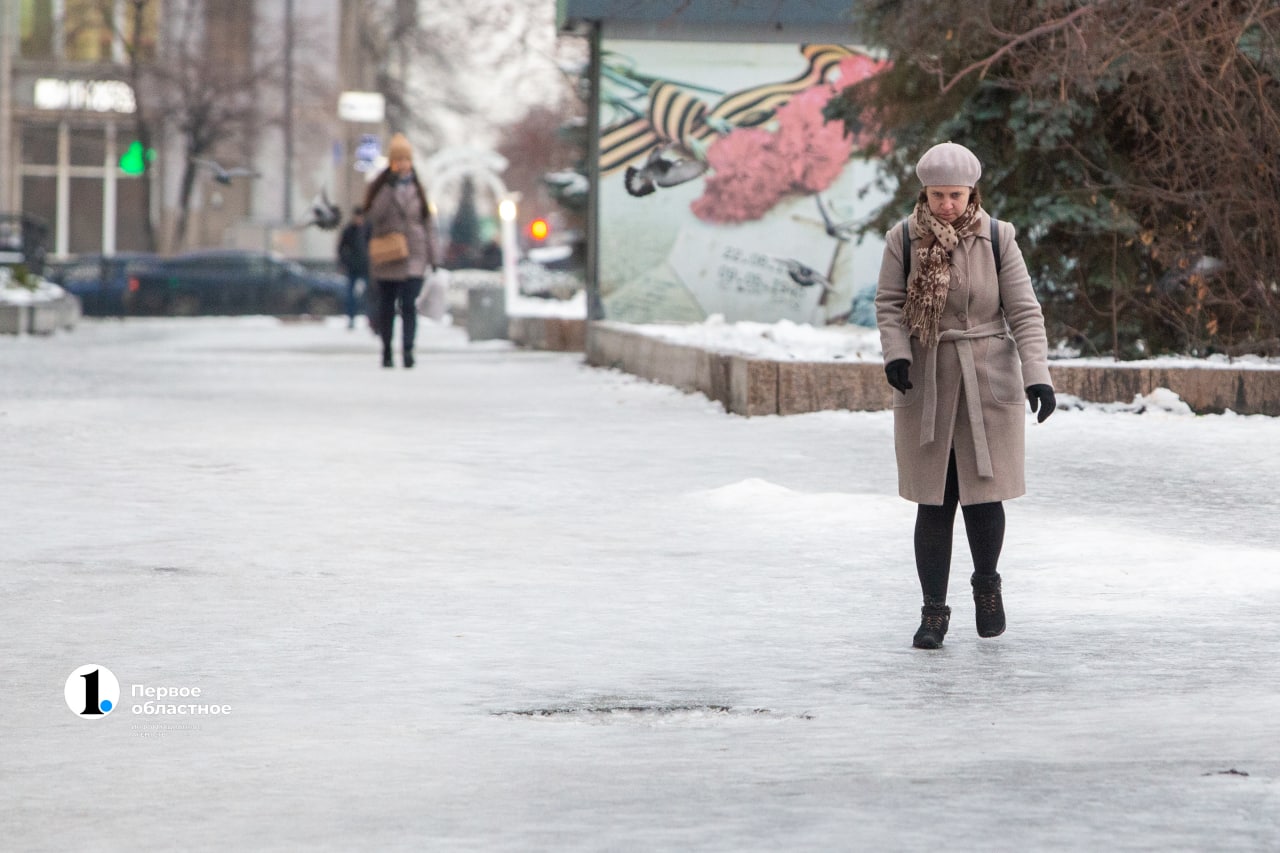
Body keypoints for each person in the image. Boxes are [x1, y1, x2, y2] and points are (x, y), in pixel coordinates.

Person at [874, 141, 1056, 650]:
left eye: (955, 195)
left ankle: (987, 586)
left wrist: (1037, 375)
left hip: (986, 379)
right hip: (927, 380)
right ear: (925, 193)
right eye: (937, 195)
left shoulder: (998, 237)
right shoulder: (903, 238)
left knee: (984, 496)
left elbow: (1024, 311)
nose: (947, 205)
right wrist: (896, 354)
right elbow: (888, 303)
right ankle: (933, 612)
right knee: (934, 501)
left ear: (972, 191)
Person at [363, 132, 438, 368]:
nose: (403, 164)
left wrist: (434, 256)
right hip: (389, 254)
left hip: (415, 254)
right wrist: (388, 188)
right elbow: (374, 216)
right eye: (398, 160)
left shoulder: (419, 190)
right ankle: (386, 350)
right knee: (387, 305)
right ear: (392, 162)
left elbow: (428, 224)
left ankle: (408, 349)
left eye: (406, 160)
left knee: (409, 305)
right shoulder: (380, 187)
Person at [336, 206, 369, 330]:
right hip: (353, 267)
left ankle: (370, 318)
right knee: (350, 295)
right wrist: (345, 262)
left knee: (369, 295)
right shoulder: (349, 230)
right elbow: (341, 248)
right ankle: (351, 318)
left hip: (366, 267)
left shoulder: (368, 229)